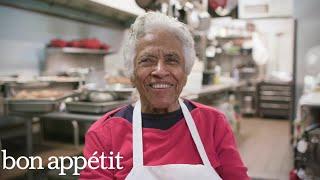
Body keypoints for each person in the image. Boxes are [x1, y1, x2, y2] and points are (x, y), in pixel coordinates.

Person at [80, 12, 249, 180]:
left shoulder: (213, 124)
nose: (160, 71)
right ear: (132, 73)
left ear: (186, 71)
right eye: (147, 60)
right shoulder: (105, 134)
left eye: (172, 60)